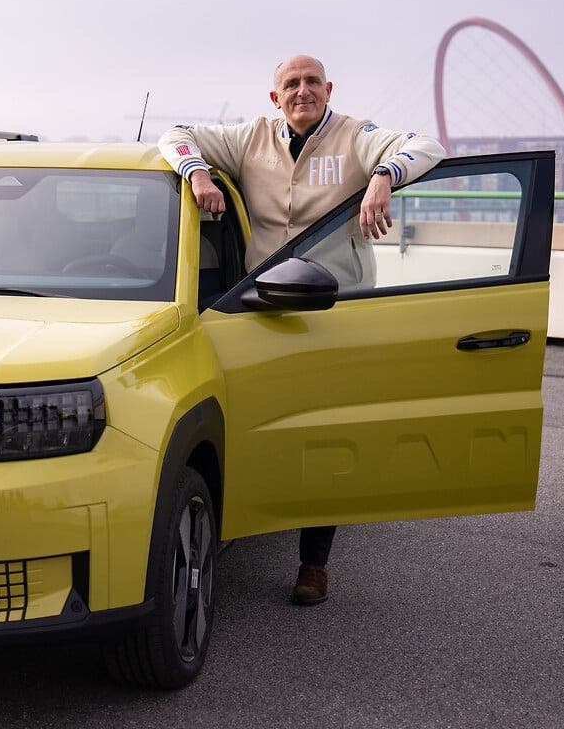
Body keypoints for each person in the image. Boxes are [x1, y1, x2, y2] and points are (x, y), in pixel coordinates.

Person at [158, 54, 446, 606]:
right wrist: (196, 171)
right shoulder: (250, 138)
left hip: (331, 313)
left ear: (329, 89)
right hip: (262, 313)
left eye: (312, 82)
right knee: (261, 430)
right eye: (291, 84)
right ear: (275, 97)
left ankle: (314, 564)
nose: (302, 91)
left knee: (326, 438)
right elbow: (175, 135)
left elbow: (427, 145)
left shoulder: (354, 137)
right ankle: (250, 521)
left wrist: (383, 177)